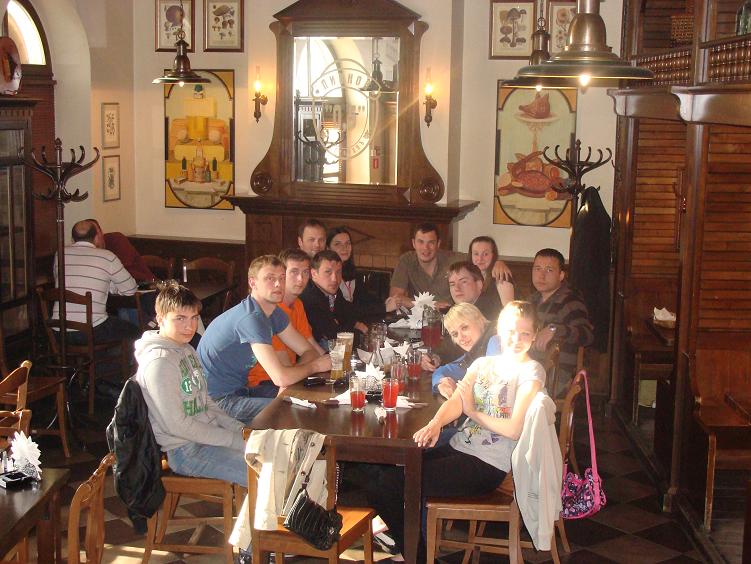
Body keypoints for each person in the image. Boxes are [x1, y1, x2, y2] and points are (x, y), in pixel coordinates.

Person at [357, 301, 545, 556]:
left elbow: (513, 429)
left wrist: (473, 412)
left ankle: (415, 555)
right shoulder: (483, 365)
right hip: (461, 447)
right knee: (382, 474)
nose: (517, 339)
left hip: (488, 466)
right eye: (511, 332)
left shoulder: (531, 371)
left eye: (525, 334)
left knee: (389, 484)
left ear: (534, 336)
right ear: (500, 330)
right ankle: (410, 547)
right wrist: (435, 424)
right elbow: (456, 402)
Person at [134, 280, 247, 486]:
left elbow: (206, 403)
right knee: (265, 471)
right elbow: (177, 425)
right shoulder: (159, 362)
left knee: (271, 458)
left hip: (205, 437)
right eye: (180, 318)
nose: (189, 326)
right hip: (184, 451)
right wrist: (233, 440)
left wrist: (240, 430)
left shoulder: (186, 349)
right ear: (160, 319)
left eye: (194, 318)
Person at [197, 255, 331, 423]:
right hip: (216, 401)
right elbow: (281, 377)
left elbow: (307, 351)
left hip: (241, 390)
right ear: (253, 283)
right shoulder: (251, 318)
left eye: (282, 278)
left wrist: (290, 378)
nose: (278, 284)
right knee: (293, 410)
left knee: (310, 399)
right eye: (270, 278)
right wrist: (314, 367)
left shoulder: (274, 313)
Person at [247, 249, 325, 391]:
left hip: (290, 375)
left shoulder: (298, 304)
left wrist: (332, 361)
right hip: (263, 383)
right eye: (294, 272)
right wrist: (312, 367)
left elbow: (311, 347)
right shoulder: (271, 309)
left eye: (305, 272)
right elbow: (284, 369)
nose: (301, 279)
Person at [53, 219, 140, 344]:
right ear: (96, 238)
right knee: (135, 330)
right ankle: (112, 358)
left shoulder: (60, 254)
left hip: (59, 331)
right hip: (91, 330)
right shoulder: (107, 256)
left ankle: (99, 356)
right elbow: (131, 290)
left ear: (72, 239)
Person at [390, 224, 512, 307]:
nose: (425, 248)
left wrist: (498, 262)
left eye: (431, 242)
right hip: (419, 319)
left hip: (452, 317)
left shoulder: (454, 259)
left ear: (438, 244)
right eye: (420, 242)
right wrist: (430, 305)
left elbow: (479, 258)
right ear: (413, 243)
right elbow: (395, 297)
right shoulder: (406, 261)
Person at [529, 248, 593, 396]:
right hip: (531, 367)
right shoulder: (533, 299)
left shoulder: (570, 301)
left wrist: (554, 329)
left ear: (561, 275)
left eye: (549, 270)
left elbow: (587, 335)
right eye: (537, 269)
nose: (542, 275)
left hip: (557, 374)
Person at [326, 226, 400, 319]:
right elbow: (343, 309)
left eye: (348, 243)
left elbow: (364, 298)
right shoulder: (327, 276)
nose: (344, 247)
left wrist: (385, 302)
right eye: (338, 244)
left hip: (353, 321)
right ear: (328, 248)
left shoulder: (352, 272)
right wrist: (384, 308)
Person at [429, 303, 495, 399]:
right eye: (455, 334)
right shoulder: (475, 351)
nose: (461, 337)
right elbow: (441, 371)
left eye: (464, 328)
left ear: (480, 321)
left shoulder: (496, 340)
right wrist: (442, 383)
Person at [300, 250, 366, 345]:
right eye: (328, 272)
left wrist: (352, 324)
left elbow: (347, 313)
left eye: (338, 272)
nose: (335, 279)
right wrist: (359, 332)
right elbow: (334, 336)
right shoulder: (310, 298)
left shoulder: (331, 290)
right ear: (314, 274)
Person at [89, 219, 155, 282]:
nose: (93, 240)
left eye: (95, 234)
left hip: (143, 283)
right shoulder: (87, 251)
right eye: (88, 237)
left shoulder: (116, 239)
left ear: (101, 232)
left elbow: (122, 271)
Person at [469, 235, 514, 311]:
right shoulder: (468, 275)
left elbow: (509, 310)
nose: (480, 258)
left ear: (493, 255)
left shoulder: (501, 275)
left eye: (485, 254)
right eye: (476, 254)